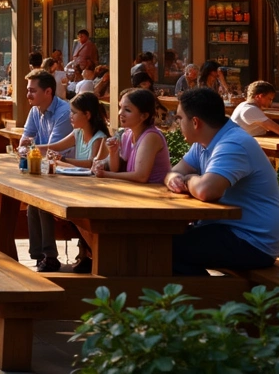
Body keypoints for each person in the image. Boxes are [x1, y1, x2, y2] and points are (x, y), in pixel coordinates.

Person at [166, 88, 279, 275]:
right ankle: (201, 296)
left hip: (251, 241)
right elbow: (174, 172)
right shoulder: (204, 143)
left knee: (165, 248)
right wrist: (175, 179)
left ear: (195, 122)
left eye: (179, 119)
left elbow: (207, 190)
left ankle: (205, 300)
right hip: (227, 230)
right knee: (163, 242)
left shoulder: (233, 144)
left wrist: (187, 180)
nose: (177, 123)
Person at [28, 92, 110, 272]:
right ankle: (40, 254)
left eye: (74, 113)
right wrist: (31, 148)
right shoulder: (78, 133)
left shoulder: (100, 137)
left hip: (92, 192)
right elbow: (54, 147)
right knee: (34, 204)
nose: (70, 116)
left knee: (43, 205)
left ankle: (54, 256)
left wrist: (63, 159)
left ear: (87, 115)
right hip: (75, 187)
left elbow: (91, 163)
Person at [17, 70, 73, 271]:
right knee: (33, 203)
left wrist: (28, 148)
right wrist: (26, 146)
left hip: (69, 170)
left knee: (40, 203)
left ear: (48, 91)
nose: (28, 95)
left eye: (32, 91)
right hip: (47, 170)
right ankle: (40, 254)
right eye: (28, 90)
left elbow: (53, 148)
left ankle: (49, 256)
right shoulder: (35, 110)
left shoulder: (64, 112)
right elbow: (25, 139)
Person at [97, 89, 169, 183]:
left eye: (127, 110)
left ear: (144, 116)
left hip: (155, 193)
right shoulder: (127, 134)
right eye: (120, 108)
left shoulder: (151, 137)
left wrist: (105, 174)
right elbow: (115, 169)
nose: (120, 113)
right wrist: (113, 152)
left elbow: (141, 177)